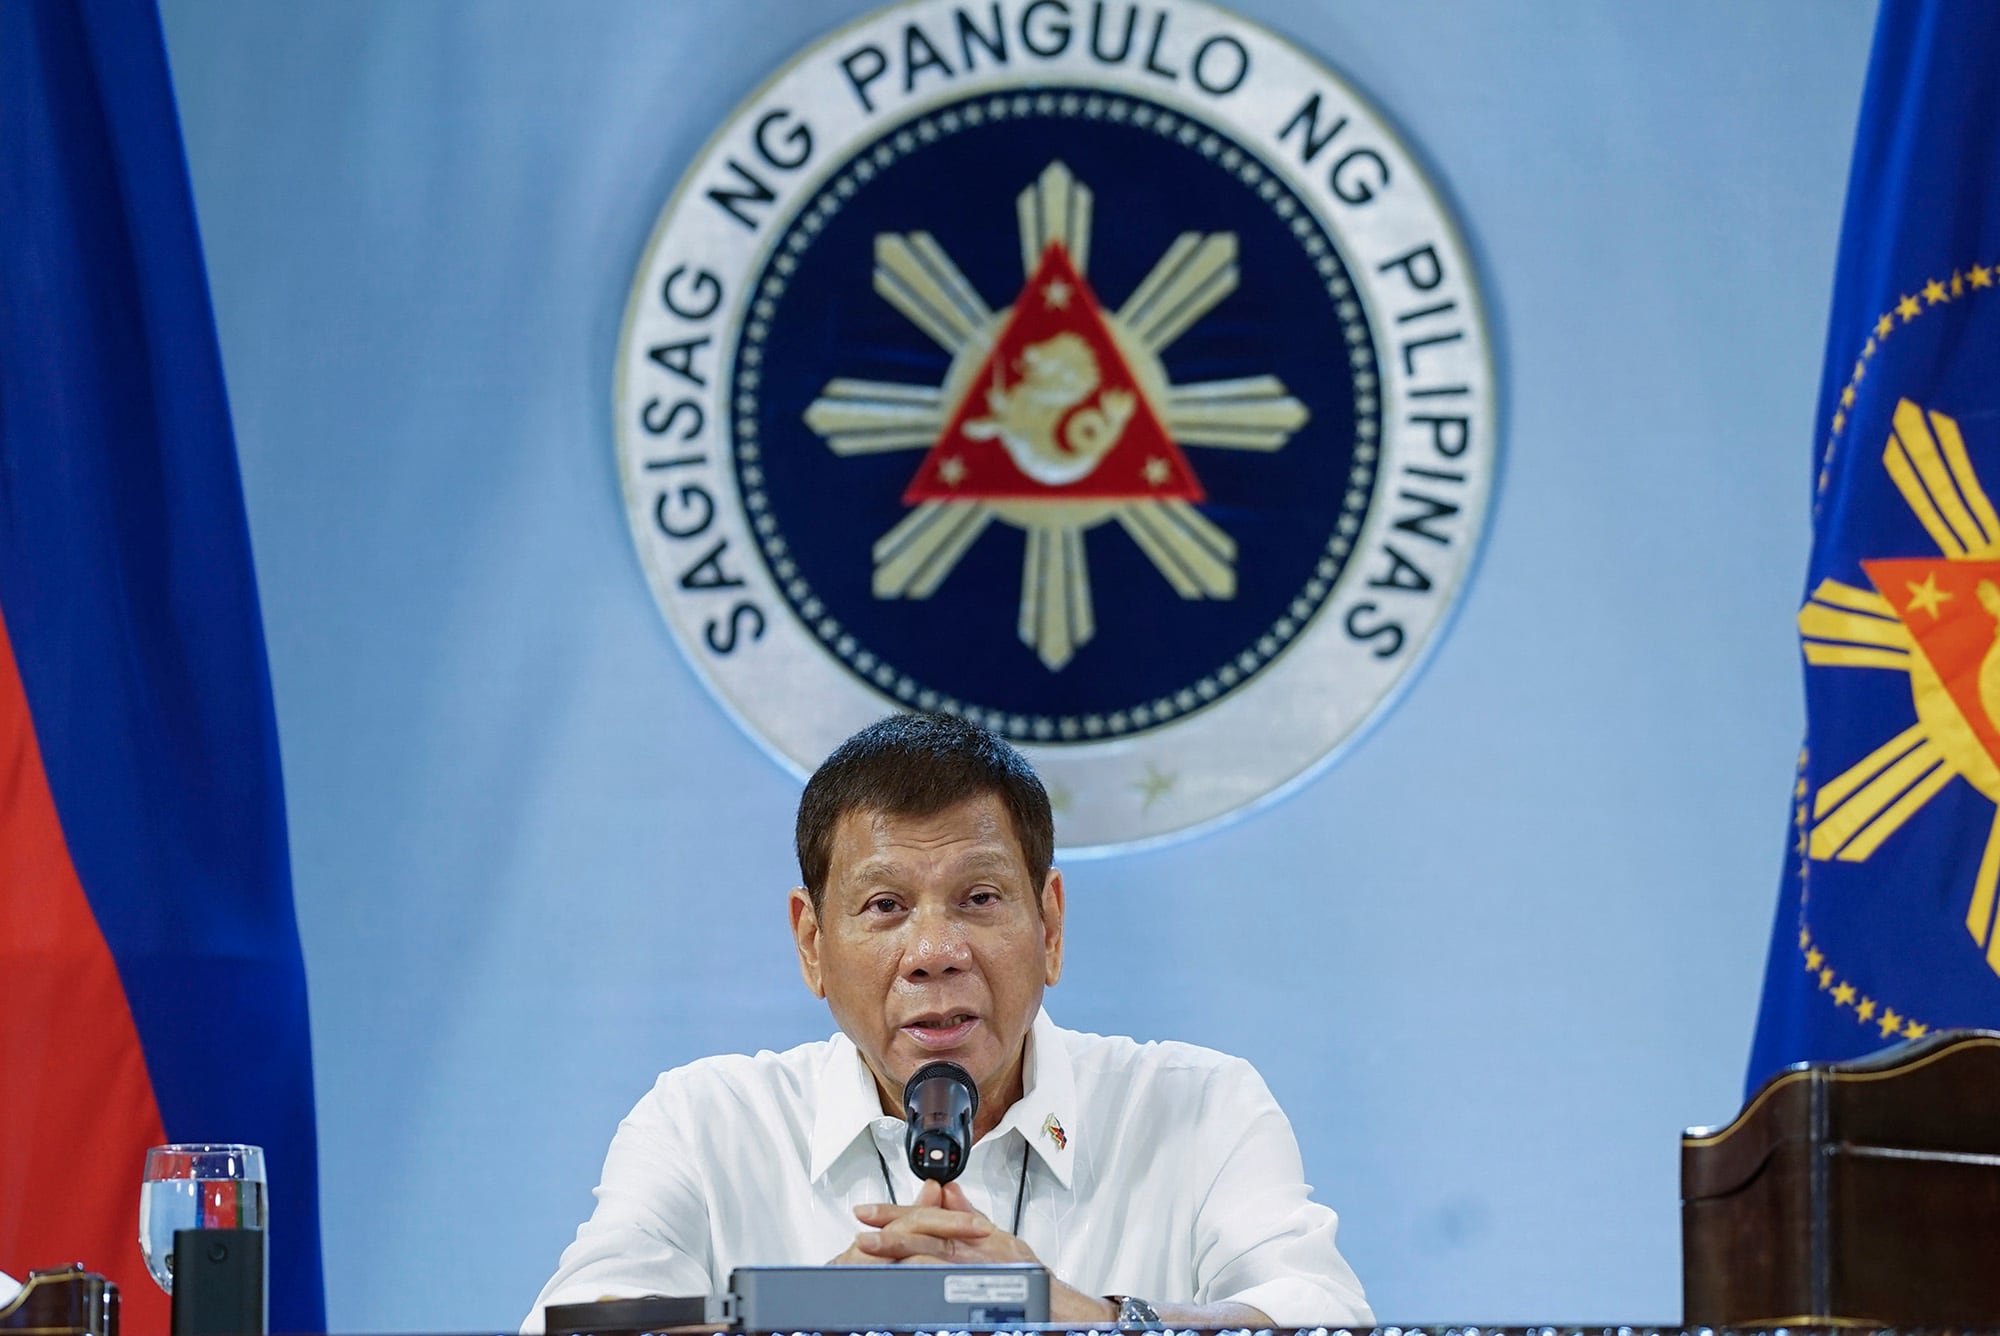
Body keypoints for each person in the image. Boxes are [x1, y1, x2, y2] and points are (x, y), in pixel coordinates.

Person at [523, 713, 1370, 1331]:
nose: (934, 951)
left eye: (980, 898)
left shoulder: (1197, 1107)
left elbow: (1325, 1316)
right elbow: (574, 1326)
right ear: (812, 943)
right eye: (885, 905)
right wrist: (791, 1320)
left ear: (1052, 924)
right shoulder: (705, 1124)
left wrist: (1092, 1321)